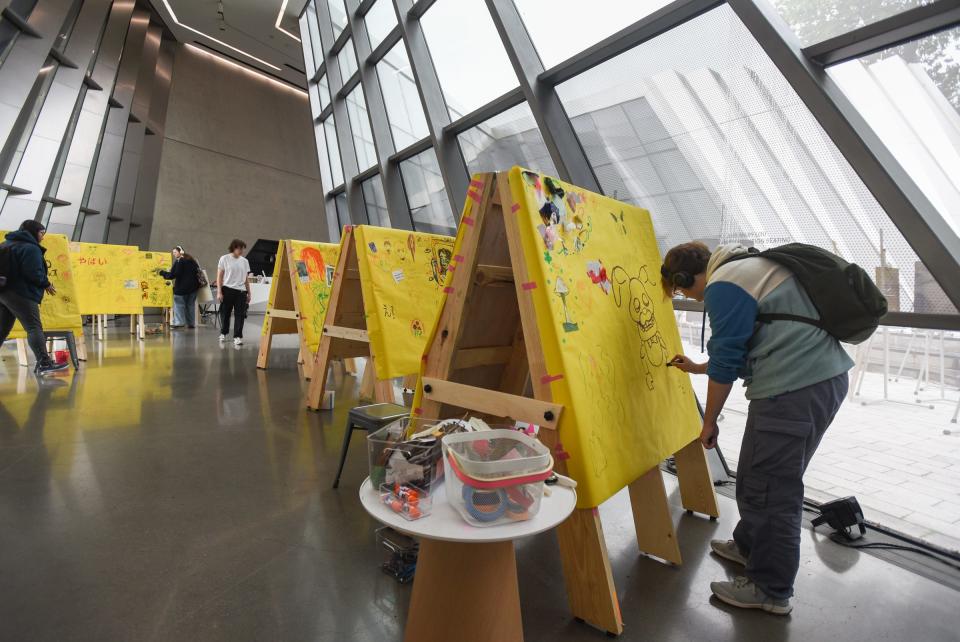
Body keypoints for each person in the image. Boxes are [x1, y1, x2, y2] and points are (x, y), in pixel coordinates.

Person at [660, 241, 853, 615]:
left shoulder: (726, 284)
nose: (692, 299)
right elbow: (748, 344)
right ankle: (749, 546)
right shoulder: (747, 269)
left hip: (794, 387)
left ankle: (771, 589)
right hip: (809, 383)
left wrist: (709, 420)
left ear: (686, 277)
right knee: (754, 475)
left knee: (771, 488)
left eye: (684, 290)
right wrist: (698, 368)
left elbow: (728, 359)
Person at [0, 221, 70, 375]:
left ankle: (44, 362)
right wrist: (46, 283)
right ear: (33, 231)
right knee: (33, 327)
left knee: (2, 329)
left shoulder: (5, 244)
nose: (42, 237)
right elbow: (33, 272)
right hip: (21, 293)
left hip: (3, 292)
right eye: (41, 233)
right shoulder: (30, 248)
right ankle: (45, 363)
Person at [216, 239, 251, 346]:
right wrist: (219, 291)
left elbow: (246, 278)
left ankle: (237, 336)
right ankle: (223, 332)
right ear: (233, 248)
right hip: (227, 290)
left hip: (241, 292)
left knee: (240, 315)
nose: (241, 251)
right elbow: (219, 276)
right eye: (239, 248)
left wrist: (249, 293)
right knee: (225, 313)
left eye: (243, 249)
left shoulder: (245, 261)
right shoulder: (224, 258)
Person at [158, 246, 200, 329]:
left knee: (179, 305)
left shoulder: (180, 261)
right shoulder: (192, 260)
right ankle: (191, 323)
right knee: (190, 305)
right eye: (173, 253)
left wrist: (162, 273)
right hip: (193, 288)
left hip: (181, 288)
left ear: (180, 252)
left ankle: (179, 322)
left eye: (175, 252)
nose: (174, 254)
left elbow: (173, 275)